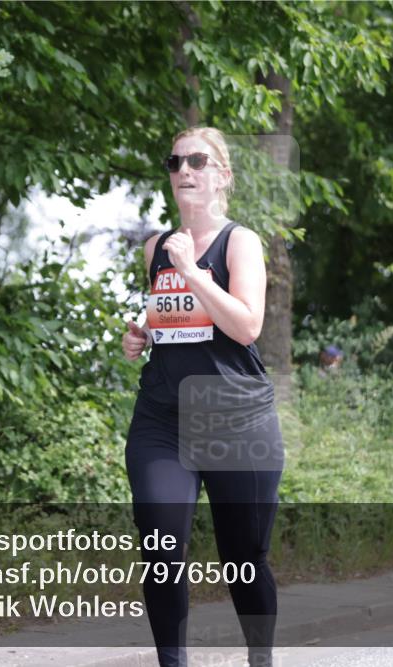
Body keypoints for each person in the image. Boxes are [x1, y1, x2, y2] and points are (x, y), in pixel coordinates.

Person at [121, 127, 283, 667]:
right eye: (175, 162)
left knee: (244, 557)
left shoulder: (240, 242)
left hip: (237, 421)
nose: (184, 170)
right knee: (162, 547)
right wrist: (141, 333)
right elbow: (173, 322)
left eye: (198, 160)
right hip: (163, 421)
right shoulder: (155, 248)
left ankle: (260, 658)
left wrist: (192, 271)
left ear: (222, 176)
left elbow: (245, 326)